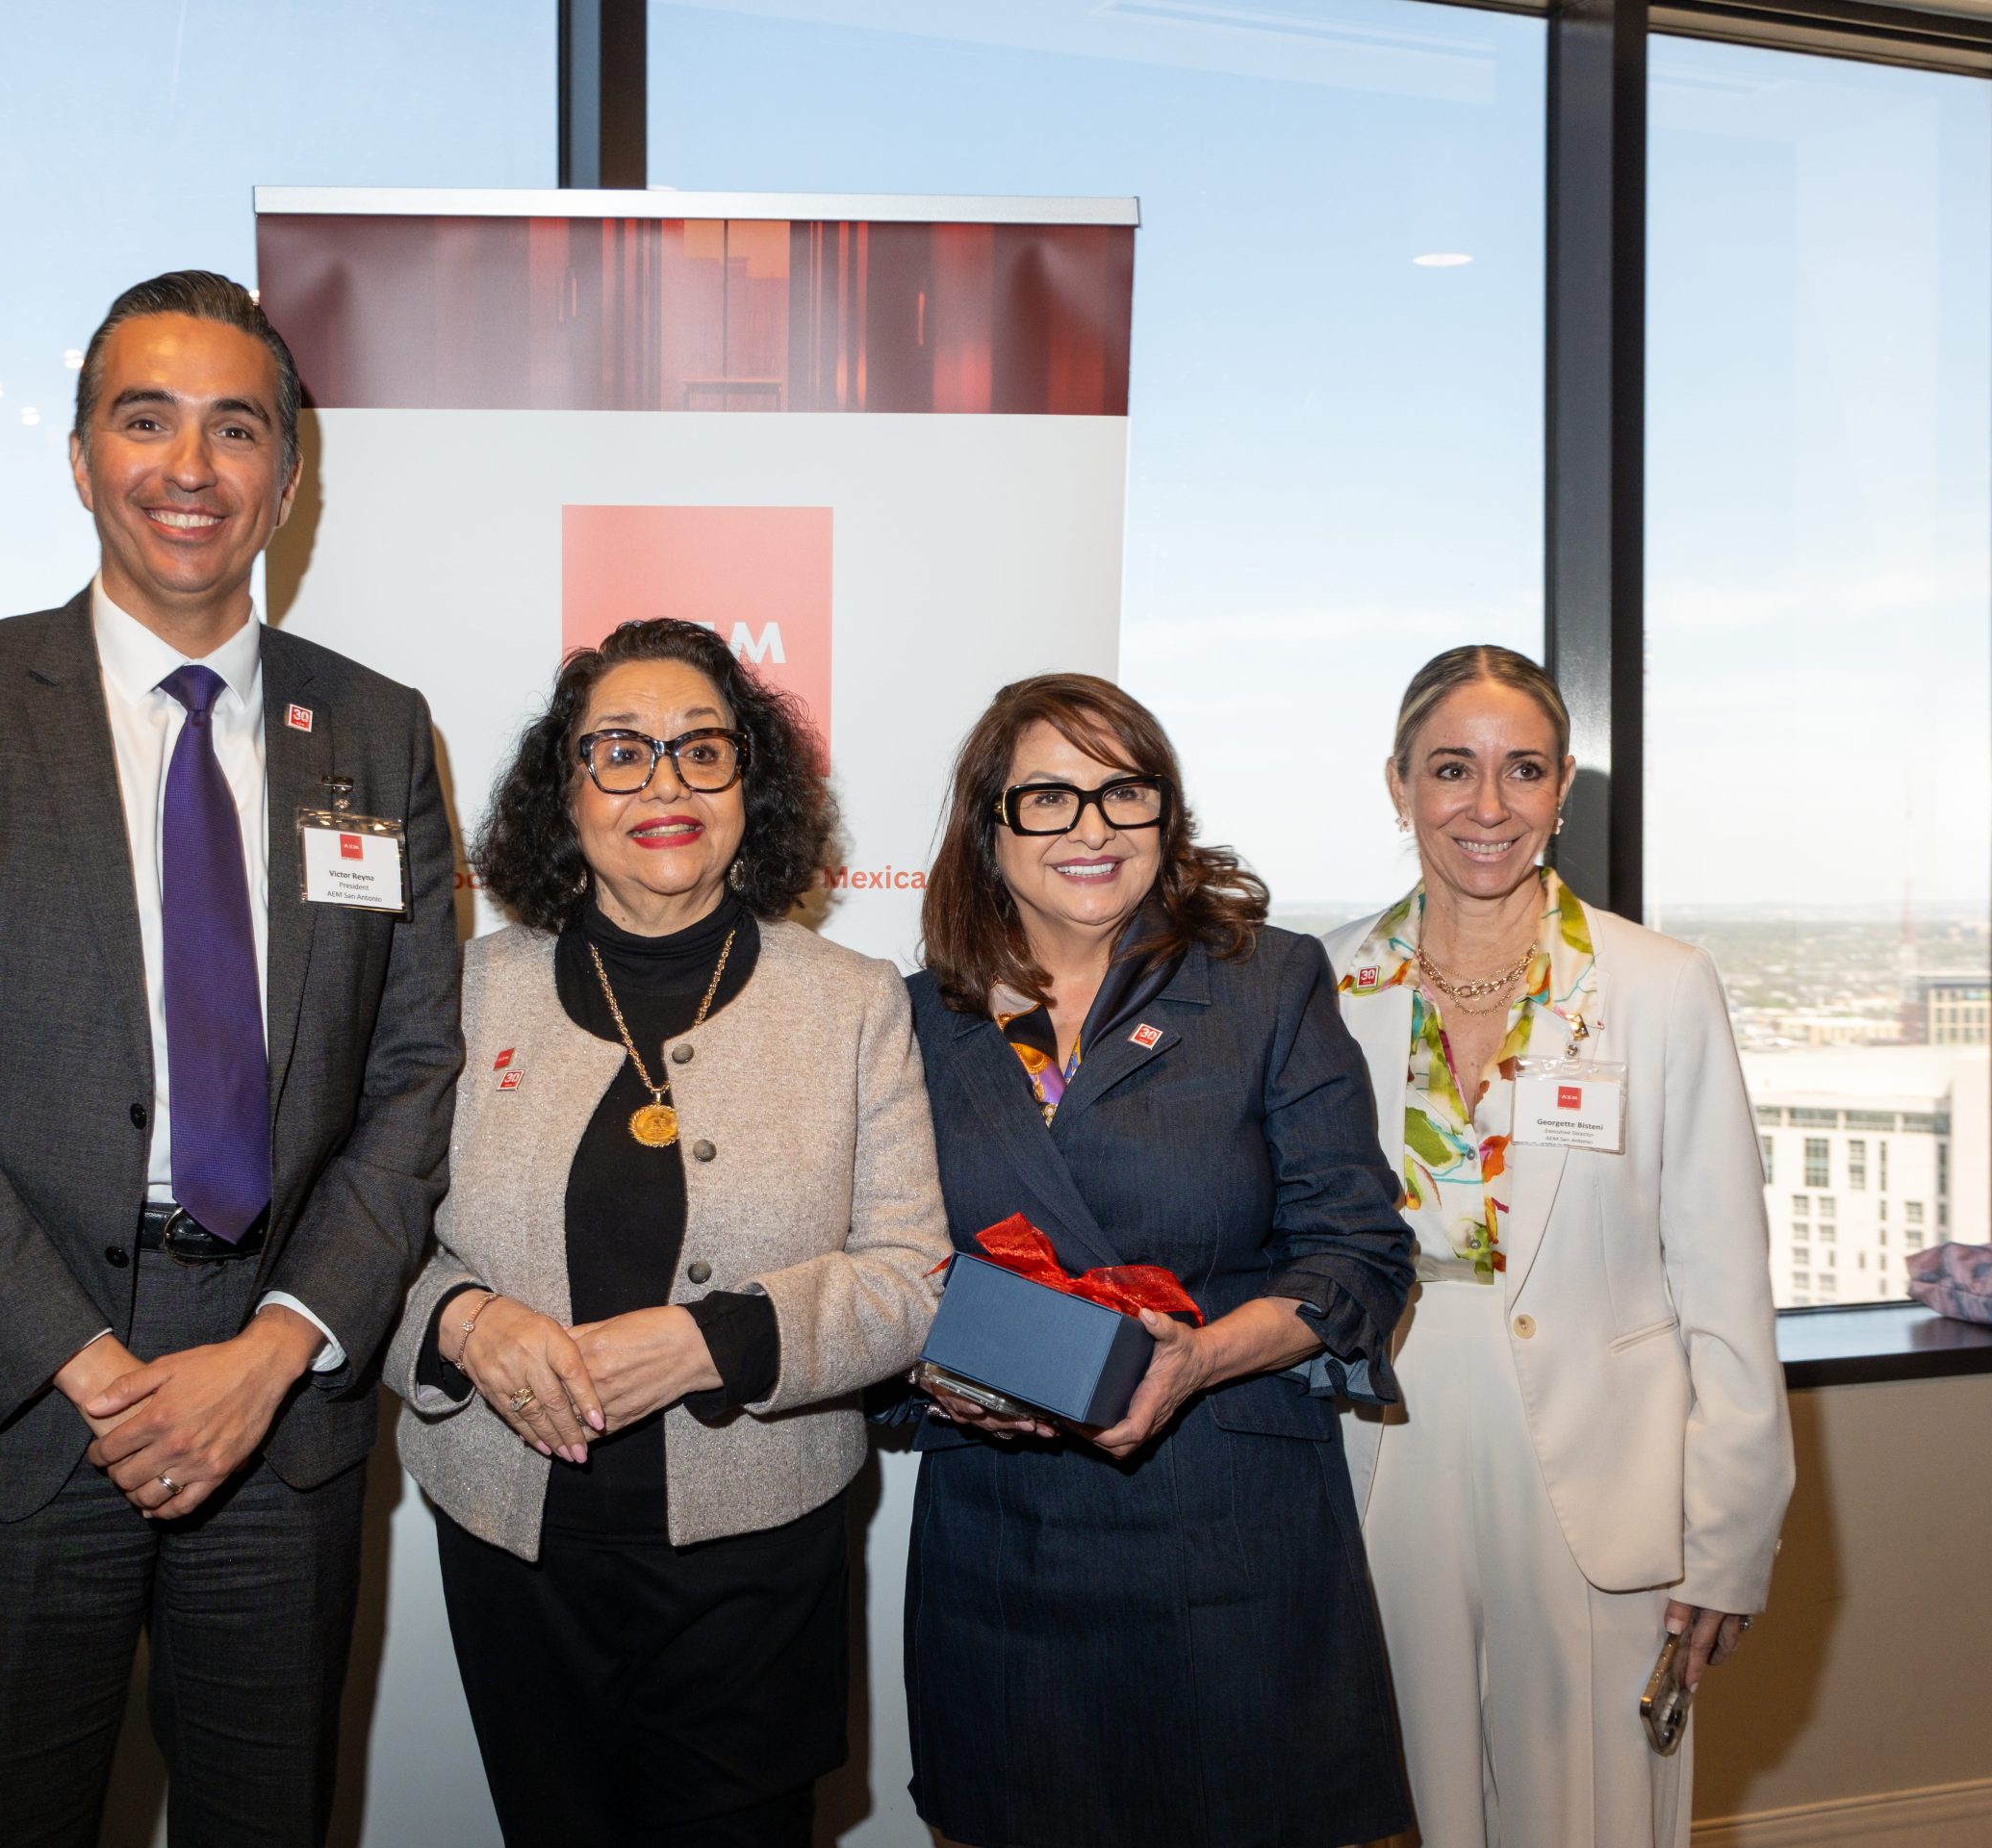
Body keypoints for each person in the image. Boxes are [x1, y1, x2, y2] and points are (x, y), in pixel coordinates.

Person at [0, 270, 459, 1846]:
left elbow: (412, 1076)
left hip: (278, 1401)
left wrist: (276, 1347)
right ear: (81, 455)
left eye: (236, 429)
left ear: (287, 479)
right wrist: (95, 1373)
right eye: (145, 419)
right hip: (14, 1397)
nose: (190, 466)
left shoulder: (376, 733)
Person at [382, 618, 950, 1848]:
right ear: (564, 789)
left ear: (752, 785)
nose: (665, 785)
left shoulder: (853, 1003)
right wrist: (462, 1321)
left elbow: (910, 1279)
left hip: (758, 1562)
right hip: (515, 1552)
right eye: (620, 751)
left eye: (702, 749)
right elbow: (370, 1230)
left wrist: (712, 1344)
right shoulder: (461, 991)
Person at [903, 673, 1417, 1848]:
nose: (1090, 828)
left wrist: (1202, 1358)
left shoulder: (1263, 982)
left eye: (1123, 792)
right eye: (1047, 797)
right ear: (987, 828)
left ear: (1164, 814)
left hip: (1229, 1523)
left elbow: (1359, 1252)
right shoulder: (917, 1020)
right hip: (1001, 1536)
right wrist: (928, 1377)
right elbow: (878, 1276)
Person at [1325, 644, 1793, 1847]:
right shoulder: (1318, 984)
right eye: (1450, 769)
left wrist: (1728, 1544)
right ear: (1397, 785)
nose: (1487, 806)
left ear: (1562, 785)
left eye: (1521, 769)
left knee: (1591, 1811)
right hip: (1378, 1450)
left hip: (1606, 1466)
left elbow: (1724, 1285)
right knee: (1399, 1804)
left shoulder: (1659, 985)